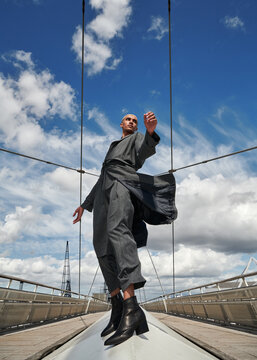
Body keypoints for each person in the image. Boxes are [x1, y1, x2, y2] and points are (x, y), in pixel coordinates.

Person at [73, 112, 177, 346]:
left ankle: (131, 307)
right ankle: (116, 306)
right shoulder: (113, 146)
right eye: (128, 120)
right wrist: (84, 205)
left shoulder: (137, 139)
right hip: (103, 193)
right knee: (100, 245)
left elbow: (144, 151)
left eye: (135, 121)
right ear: (121, 123)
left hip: (122, 183)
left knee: (119, 232)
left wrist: (150, 132)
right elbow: (101, 178)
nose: (132, 122)